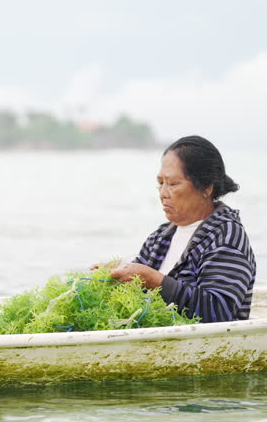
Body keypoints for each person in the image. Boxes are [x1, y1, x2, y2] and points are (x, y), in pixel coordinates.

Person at [101, 135, 256, 323]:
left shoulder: (226, 236)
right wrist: (116, 275)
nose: (163, 193)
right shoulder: (160, 237)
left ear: (206, 187)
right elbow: (137, 284)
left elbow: (219, 311)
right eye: (160, 183)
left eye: (173, 184)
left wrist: (155, 280)